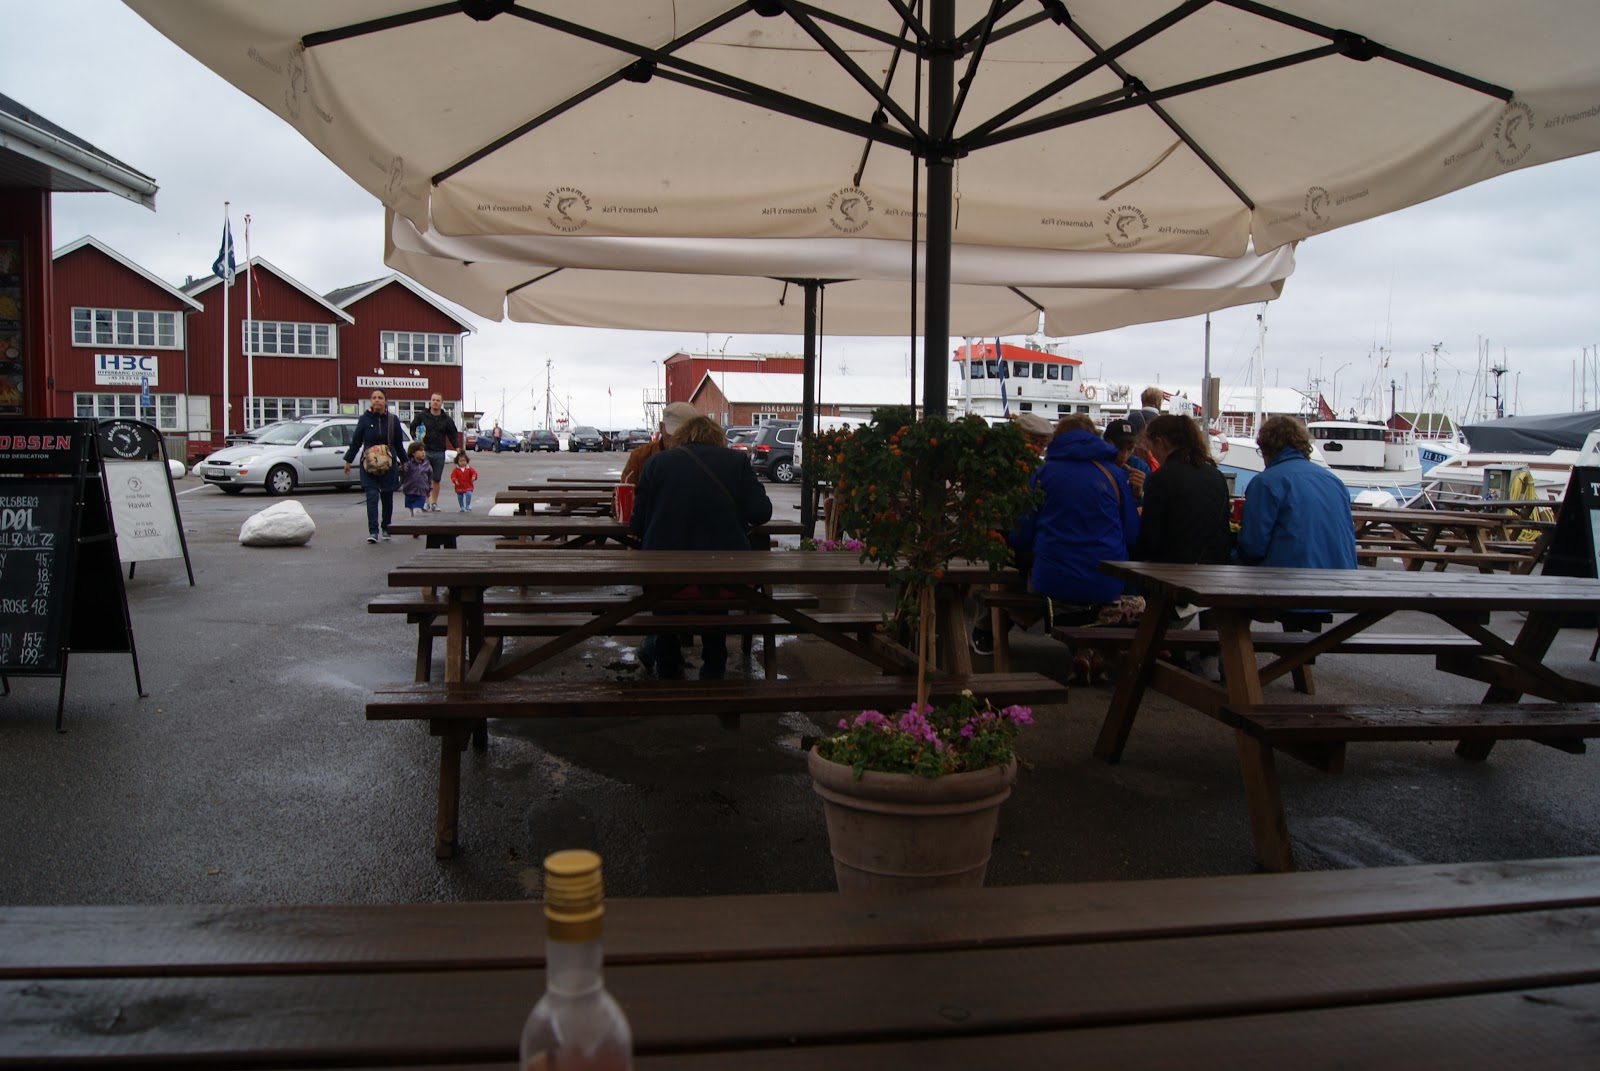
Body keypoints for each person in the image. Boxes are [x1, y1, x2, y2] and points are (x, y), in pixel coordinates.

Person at [630, 405, 773, 679]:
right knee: (714, 595)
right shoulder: (737, 462)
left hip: (663, 577)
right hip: (726, 578)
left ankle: (668, 666)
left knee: (666, 602)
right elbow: (760, 513)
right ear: (718, 438)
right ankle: (714, 666)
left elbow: (636, 524)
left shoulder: (656, 464)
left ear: (680, 437)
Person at [1010, 413, 1141, 682]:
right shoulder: (1114, 474)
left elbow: (1021, 535)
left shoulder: (1042, 474)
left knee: (1054, 590)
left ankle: (1082, 651)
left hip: (1053, 578)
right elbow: (1132, 534)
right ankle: (1093, 650)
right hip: (1107, 578)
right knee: (1103, 594)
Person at [1234, 415, 1357, 569]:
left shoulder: (1266, 483)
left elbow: (1253, 547)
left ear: (1267, 448)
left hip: (1291, 577)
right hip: (1342, 575)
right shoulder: (1334, 481)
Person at [1133, 413, 1231, 566]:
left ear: (1160, 442)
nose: (1152, 454)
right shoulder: (1216, 476)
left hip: (1172, 568)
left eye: (1151, 447)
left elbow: (1151, 535)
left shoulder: (1160, 478)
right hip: (1211, 567)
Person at [342, 389, 409, 544]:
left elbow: (398, 443)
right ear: (370, 401)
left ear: (385, 401)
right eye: (374, 398)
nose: (377, 400)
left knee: (387, 496)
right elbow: (356, 441)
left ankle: (386, 527)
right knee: (372, 496)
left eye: (380, 398)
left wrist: (404, 461)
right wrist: (348, 460)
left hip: (388, 462)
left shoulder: (392, 420)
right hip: (369, 464)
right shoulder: (364, 419)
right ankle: (373, 531)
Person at [411, 393, 459, 512]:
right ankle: (425, 502)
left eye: (438, 400)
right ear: (430, 402)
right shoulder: (422, 416)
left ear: (441, 403)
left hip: (439, 452)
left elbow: (452, 434)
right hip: (425, 451)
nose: (435, 402)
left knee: (436, 478)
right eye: (433, 400)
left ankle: (434, 503)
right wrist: (415, 438)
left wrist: (457, 447)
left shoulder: (446, 419)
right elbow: (413, 427)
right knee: (424, 477)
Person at [1102, 418, 1150, 504]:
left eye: (1130, 448)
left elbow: (1152, 504)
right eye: (1119, 448)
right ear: (1105, 444)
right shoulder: (1096, 466)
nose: (1124, 455)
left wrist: (1139, 495)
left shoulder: (1140, 467)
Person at [400, 443, 432, 529]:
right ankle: (414, 528)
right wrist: (402, 467)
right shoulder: (409, 464)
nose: (423, 452)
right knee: (412, 511)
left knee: (417, 511)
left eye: (424, 450)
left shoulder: (427, 465)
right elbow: (403, 473)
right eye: (420, 450)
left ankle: (418, 528)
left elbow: (430, 477)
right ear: (413, 453)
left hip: (421, 492)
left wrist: (429, 488)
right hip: (409, 491)